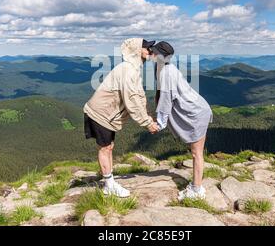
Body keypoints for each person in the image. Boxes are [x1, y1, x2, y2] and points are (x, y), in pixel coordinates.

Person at [83, 38, 159, 198]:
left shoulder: (132, 68)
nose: (151, 51)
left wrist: (147, 115)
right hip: (101, 114)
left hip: (107, 115)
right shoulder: (128, 71)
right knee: (105, 148)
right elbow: (131, 101)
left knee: (109, 147)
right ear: (139, 51)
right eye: (148, 48)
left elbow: (138, 95)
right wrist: (147, 123)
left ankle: (108, 181)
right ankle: (109, 185)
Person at [150, 41, 213, 200]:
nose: (151, 53)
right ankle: (196, 186)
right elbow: (162, 95)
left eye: (154, 51)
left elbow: (166, 99)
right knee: (196, 153)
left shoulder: (166, 72)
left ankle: (197, 190)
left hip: (196, 113)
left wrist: (160, 123)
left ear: (161, 56)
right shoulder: (164, 67)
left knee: (196, 153)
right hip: (196, 109)